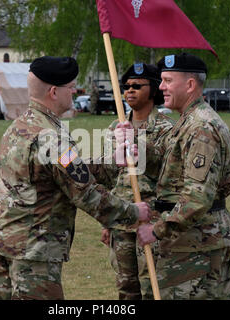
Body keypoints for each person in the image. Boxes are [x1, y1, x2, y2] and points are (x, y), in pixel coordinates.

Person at [0, 56, 151, 300]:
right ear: (54, 92)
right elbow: (86, 194)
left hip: (2, 245)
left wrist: (112, 161)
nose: (73, 92)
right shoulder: (50, 136)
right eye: (71, 88)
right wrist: (134, 213)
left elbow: (62, 174)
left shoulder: (19, 127)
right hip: (32, 254)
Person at [133, 53, 230, 300]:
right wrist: (137, 151)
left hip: (195, 249)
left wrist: (158, 230)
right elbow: (168, 166)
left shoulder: (201, 128)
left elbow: (197, 198)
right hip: (189, 243)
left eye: (167, 80)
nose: (160, 86)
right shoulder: (187, 121)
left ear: (190, 84)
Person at [97, 63, 175, 300]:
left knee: (154, 286)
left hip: (150, 221)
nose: (129, 91)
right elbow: (111, 177)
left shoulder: (165, 129)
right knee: (126, 289)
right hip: (121, 220)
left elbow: (169, 174)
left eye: (137, 86)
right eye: (126, 86)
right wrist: (107, 220)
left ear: (153, 90)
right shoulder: (116, 127)